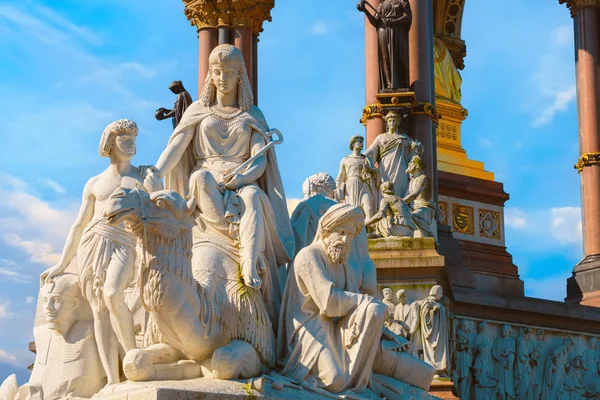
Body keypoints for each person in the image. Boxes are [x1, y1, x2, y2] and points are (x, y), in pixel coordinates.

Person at [152, 45, 294, 326]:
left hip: (240, 183)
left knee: (254, 196)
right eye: (216, 72)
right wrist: (155, 172)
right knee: (199, 179)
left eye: (229, 72)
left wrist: (240, 179)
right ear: (210, 75)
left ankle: (249, 261)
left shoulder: (251, 113)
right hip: (207, 178)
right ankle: (220, 237)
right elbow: (177, 146)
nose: (222, 78)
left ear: (240, 75)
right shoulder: (198, 110)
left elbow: (259, 160)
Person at [277, 204, 434, 395]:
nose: (345, 239)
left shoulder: (344, 265)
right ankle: (374, 382)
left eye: (350, 234)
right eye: (340, 232)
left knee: (424, 374)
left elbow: (356, 306)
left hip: (338, 332)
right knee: (335, 380)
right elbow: (329, 303)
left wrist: (384, 332)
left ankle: (369, 377)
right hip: (309, 333)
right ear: (327, 231)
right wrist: (367, 303)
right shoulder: (309, 256)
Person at [40, 119, 150, 386]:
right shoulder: (95, 182)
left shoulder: (143, 176)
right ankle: (113, 379)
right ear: (111, 144)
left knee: (112, 294)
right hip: (93, 243)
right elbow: (79, 224)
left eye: (133, 139)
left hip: (125, 241)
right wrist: (62, 263)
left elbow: (159, 206)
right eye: (124, 139)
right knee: (99, 309)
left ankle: (133, 364)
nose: (131, 144)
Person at [27, 274, 105, 398]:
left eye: (56, 300)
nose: (48, 307)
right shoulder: (42, 335)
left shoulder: (89, 332)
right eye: (46, 300)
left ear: (74, 303)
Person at [364, 111, 422, 198]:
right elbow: (372, 151)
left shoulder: (405, 138)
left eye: (394, 121)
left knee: (399, 191)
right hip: (384, 168)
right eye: (390, 121)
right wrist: (362, 157)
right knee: (384, 190)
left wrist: (416, 148)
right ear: (387, 122)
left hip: (401, 167)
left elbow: (411, 156)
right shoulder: (381, 137)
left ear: (398, 122)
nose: (392, 123)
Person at [357, 0, 412, 91]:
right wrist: (365, 11)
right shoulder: (382, 4)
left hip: (398, 31)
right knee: (385, 57)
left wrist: (394, 21)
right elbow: (376, 22)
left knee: (400, 56)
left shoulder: (403, 1)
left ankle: (401, 84)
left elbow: (407, 16)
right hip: (384, 31)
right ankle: (389, 83)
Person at [336, 135, 378, 219]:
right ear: (353, 144)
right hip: (351, 185)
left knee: (368, 208)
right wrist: (338, 188)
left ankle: (369, 227)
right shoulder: (346, 160)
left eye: (362, 141)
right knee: (353, 209)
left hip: (365, 185)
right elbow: (340, 177)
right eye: (359, 141)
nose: (362, 143)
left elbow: (375, 173)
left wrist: (370, 170)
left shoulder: (366, 159)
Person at [419, 285, 450, 377]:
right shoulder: (427, 302)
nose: (441, 295)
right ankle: (433, 370)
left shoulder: (439, 304)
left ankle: (441, 370)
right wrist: (432, 312)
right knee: (434, 350)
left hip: (441, 333)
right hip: (433, 333)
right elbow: (424, 318)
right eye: (440, 293)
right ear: (435, 292)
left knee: (441, 349)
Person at [404, 155, 435, 237]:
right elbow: (408, 195)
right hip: (414, 208)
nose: (409, 164)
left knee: (414, 216)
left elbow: (415, 194)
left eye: (411, 162)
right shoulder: (412, 181)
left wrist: (400, 202)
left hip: (426, 209)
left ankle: (430, 238)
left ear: (416, 165)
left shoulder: (423, 178)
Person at [492, 324, 516, 400]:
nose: (503, 332)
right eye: (502, 330)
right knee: (500, 384)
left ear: (509, 332)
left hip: (508, 367)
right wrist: (501, 356)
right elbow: (494, 351)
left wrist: (508, 361)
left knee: (508, 384)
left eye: (505, 330)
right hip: (499, 366)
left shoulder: (512, 341)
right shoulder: (498, 340)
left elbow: (512, 353)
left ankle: (508, 397)